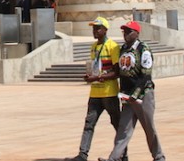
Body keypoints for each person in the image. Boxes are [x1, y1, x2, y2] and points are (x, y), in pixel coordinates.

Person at [99, 21, 165, 161]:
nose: (126, 35)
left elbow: (146, 75)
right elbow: (121, 72)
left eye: (129, 32)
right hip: (127, 96)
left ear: (137, 33)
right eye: (124, 32)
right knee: (124, 129)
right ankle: (114, 158)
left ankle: (159, 157)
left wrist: (136, 94)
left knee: (149, 128)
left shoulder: (143, 49)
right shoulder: (123, 49)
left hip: (143, 95)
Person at [68, 16, 122, 161]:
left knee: (118, 125)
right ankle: (82, 154)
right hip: (95, 93)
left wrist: (97, 78)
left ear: (105, 30)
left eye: (97, 28)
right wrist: (91, 76)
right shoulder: (93, 47)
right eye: (93, 28)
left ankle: (123, 155)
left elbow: (116, 72)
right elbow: (96, 68)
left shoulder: (113, 46)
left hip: (109, 93)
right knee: (89, 124)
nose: (94, 31)